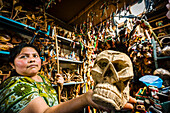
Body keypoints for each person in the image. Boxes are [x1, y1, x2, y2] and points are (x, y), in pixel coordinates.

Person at [0, 43, 136, 113]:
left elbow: (52, 104)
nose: (31, 60)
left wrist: (59, 86)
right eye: (24, 56)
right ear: (12, 64)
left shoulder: (43, 79)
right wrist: (85, 98)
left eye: (35, 56)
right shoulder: (13, 85)